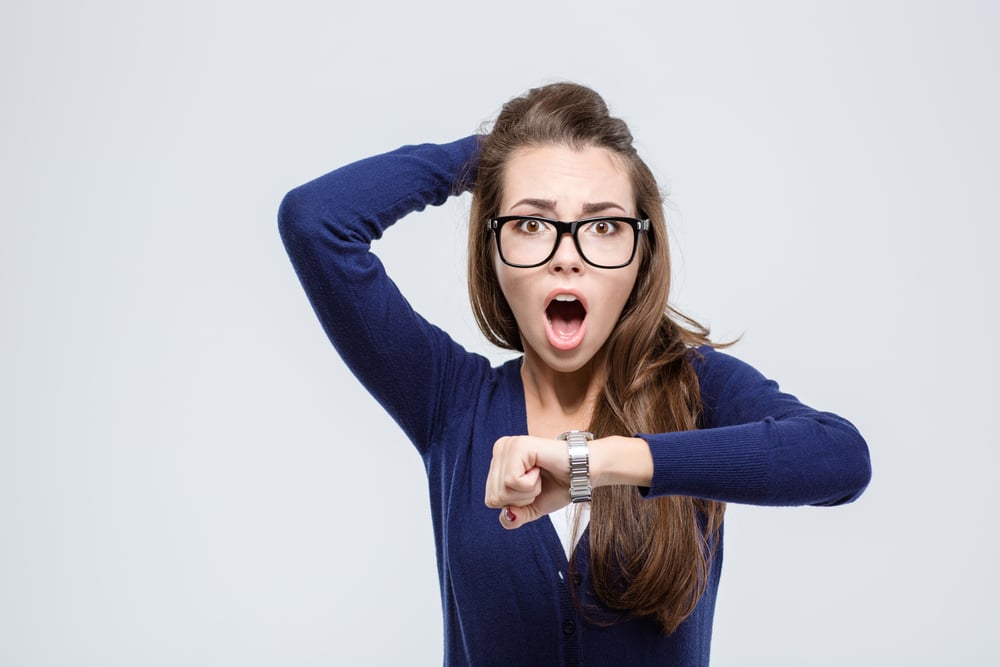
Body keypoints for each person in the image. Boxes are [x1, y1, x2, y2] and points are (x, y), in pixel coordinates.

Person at [278, 82, 871, 666]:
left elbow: (840, 458)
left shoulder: (697, 388)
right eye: (532, 224)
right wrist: (491, 154)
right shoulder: (451, 402)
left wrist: (597, 464)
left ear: (642, 254)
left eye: (604, 226)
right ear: (493, 248)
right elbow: (317, 222)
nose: (568, 254)